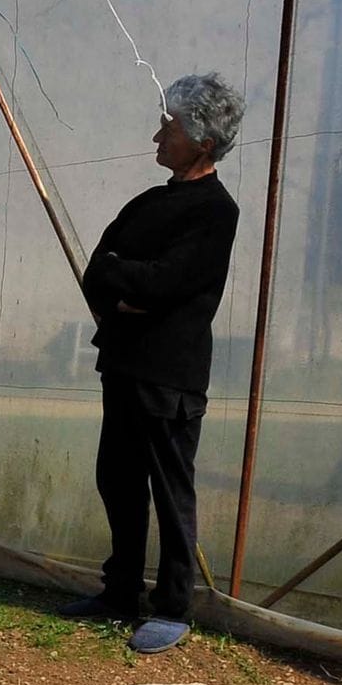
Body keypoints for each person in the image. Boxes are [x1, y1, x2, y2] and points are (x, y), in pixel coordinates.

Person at [63, 72, 245, 654]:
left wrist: (134, 282)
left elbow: (168, 283)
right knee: (117, 481)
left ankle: (172, 606)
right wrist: (128, 291)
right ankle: (119, 592)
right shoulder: (149, 202)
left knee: (170, 490)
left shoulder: (215, 211)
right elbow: (100, 269)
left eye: (169, 127)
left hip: (170, 375)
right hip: (122, 362)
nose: (156, 137)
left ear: (203, 141)